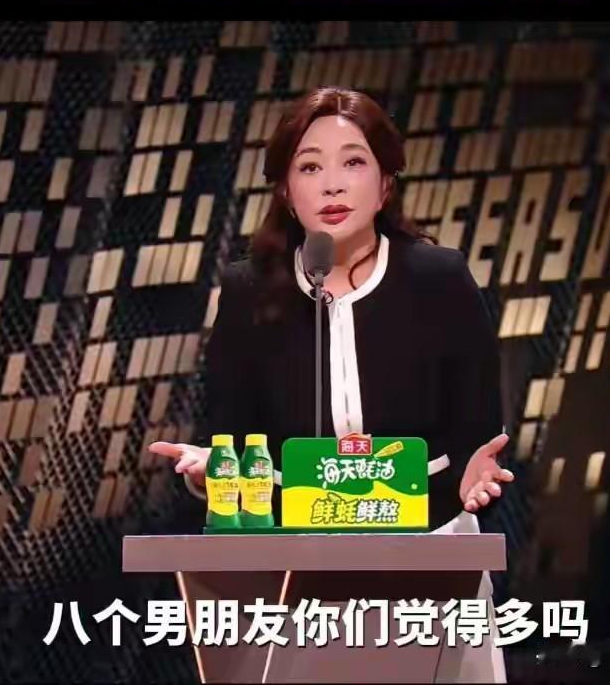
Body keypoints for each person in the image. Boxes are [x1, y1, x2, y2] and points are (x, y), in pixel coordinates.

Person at [151, 86, 512, 681]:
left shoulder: (439, 279)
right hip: (295, 573)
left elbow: (478, 428)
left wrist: (476, 470)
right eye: (310, 167)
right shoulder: (248, 292)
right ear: (285, 192)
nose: (333, 185)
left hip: (431, 551)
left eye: (353, 162)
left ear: (386, 183)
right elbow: (231, 437)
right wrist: (211, 472)